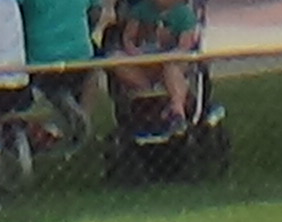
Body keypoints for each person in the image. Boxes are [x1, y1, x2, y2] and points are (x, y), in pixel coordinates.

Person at [113, 0, 199, 133]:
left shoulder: (184, 14)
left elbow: (184, 46)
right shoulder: (141, 9)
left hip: (171, 62)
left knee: (171, 66)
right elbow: (128, 38)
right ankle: (147, 90)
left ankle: (177, 111)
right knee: (116, 59)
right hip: (144, 61)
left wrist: (168, 54)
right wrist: (135, 52)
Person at [20, 0, 98, 145]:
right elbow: (95, 12)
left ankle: (56, 103)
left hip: (41, 59)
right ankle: (83, 116)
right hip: (80, 55)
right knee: (94, 68)